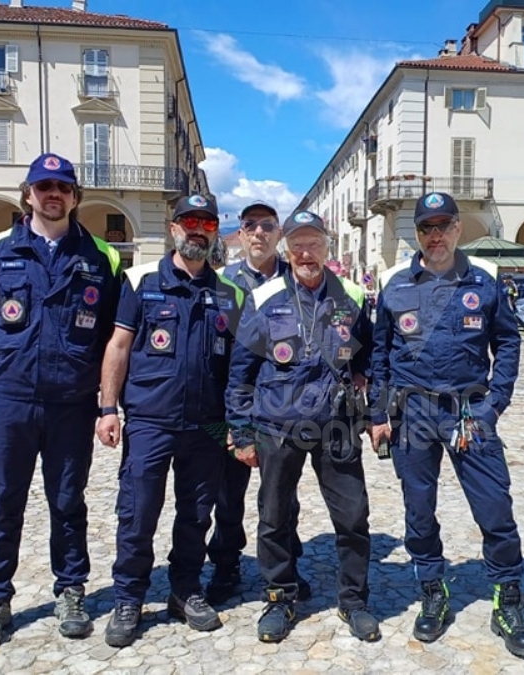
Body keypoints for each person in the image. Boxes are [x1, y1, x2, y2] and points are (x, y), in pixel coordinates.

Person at [369, 192, 524, 660]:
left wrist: (495, 404)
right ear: (417, 235)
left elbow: (508, 343)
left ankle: (507, 600)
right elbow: (379, 355)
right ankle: (433, 591)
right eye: (427, 228)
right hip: (412, 415)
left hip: (469, 412)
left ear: (459, 229)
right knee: (418, 510)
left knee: (494, 507)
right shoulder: (396, 287)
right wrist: (378, 414)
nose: (435, 235)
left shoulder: (483, 284)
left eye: (443, 225)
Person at [0, 152, 122, 650]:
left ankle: (70, 591)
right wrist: (5, 364)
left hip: (71, 402)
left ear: (75, 197)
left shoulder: (101, 256)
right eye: (44, 186)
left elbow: (113, 332)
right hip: (11, 400)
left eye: (63, 187)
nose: (53, 194)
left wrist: (105, 402)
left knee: (68, 501)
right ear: (27, 193)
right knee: (4, 500)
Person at [95, 194, 245, 648]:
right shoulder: (140, 281)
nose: (197, 229)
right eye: (189, 221)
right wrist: (107, 408)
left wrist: (237, 423)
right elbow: (119, 347)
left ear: (215, 230)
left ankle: (185, 590)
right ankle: (129, 597)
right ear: (173, 227)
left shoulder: (229, 294)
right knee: (138, 512)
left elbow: (239, 367)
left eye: (206, 222)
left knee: (197, 514)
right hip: (150, 421)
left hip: (210, 424)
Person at [226, 210, 378, 644]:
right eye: (299, 244)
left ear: (327, 248)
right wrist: (240, 431)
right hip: (278, 425)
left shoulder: (349, 295)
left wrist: (367, 383)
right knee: (274, 518)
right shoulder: (265, 297)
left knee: (353, 517)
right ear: (287, 249)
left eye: (314, 243)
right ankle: (279, 598)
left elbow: (369, 351)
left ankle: (354, 601)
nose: (306, 252)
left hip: (337, 426)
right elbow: (241, 372)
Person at [205, 202, 310, 605]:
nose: (259, 233)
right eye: (251, 225)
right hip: (228, 406)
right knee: (228, 491)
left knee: (282, 494)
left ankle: (287, 566)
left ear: (278, 233)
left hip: (281, 409)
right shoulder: (222, 282)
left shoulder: (295, 280)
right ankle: (226, 564)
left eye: (268, 225)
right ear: (241, 232)